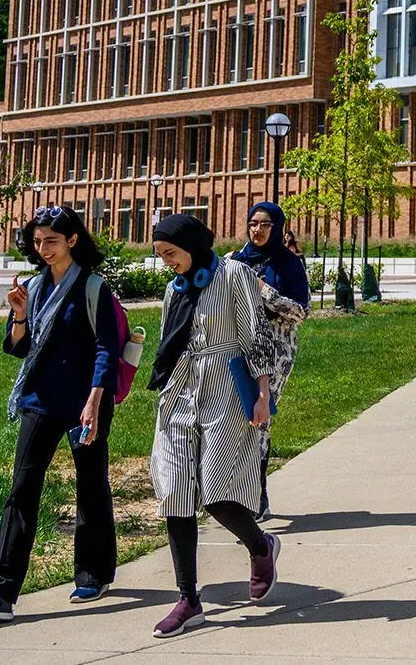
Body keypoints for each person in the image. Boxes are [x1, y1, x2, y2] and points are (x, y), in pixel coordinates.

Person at [0, 205, 122, 622]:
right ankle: (0, 592)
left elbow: (107, 347)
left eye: (50, 240)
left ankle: (93, 572)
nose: (43, 248)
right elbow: (19, 347)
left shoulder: (92, 286)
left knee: (91, 484)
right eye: (37, 241)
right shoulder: (33, 286)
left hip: (84, 402)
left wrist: (96, 398)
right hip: (38, 402)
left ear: (72, 240)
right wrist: (18, 314)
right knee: (22, 491)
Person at [146, 213, 293, 639]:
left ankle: (260, 546)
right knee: (175, 492)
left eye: (170, 254)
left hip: (226, 390)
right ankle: (188, 600)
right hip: (179, 391)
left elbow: (257, 336)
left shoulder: (233, 275)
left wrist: (263, 394)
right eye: (160, 256)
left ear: (191, 244)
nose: (167, 263)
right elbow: (169, 341)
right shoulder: (176, 288)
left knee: (217, 496)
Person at [231, 201, 311, 519]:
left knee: (259, 418)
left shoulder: (288, 264)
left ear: (276, 228)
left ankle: (257, 494)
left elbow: (300, 312)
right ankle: (238, 491)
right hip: (241, 347)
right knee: (238, 418)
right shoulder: (238, 261)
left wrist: (264, 291)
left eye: (265, 224)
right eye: (253, 223)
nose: (258, 230)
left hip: (278, 351)